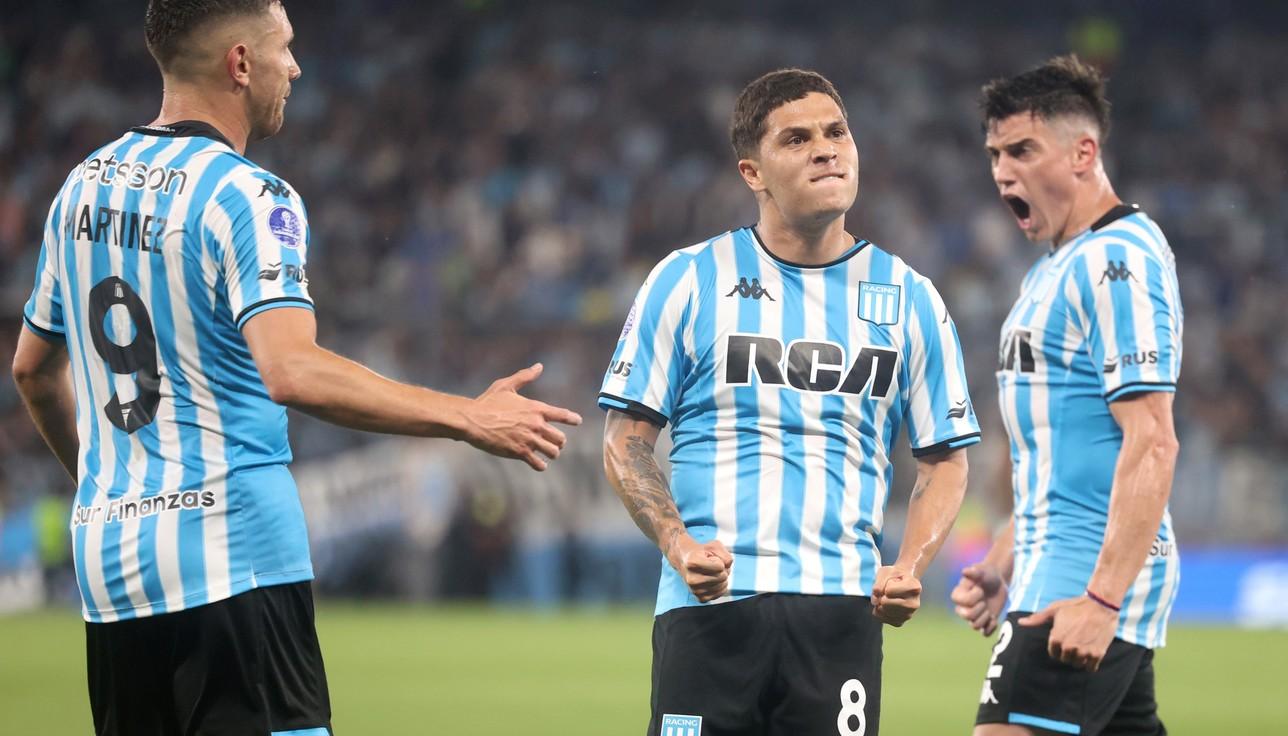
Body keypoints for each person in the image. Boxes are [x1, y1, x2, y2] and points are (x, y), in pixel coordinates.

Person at [10, 2, 581, 734]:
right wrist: (465, 415)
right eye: (286, 49)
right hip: (232, 558)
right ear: (240, 64)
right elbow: (292, 371)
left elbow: (32, 372)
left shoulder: (80, 188)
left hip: (112, 568)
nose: (296, 68)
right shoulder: (249, 196)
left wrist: (108, 485)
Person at [600, 68, 981, 736]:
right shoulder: (687, 281)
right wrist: (677, 542)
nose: (826, 149)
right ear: (753, 172)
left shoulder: (911, 297)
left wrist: (910, 565)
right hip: (709, 609)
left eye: (837, 132)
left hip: (840, 617)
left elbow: (945, 458)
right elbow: (626, 437)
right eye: (798, 138)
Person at [951, 55, 1182, 735]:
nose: (1002, 170)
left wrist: (1102, 601)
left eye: (1023, 149)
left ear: (1084, 152)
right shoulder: (1050, 271)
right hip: (1052, 569)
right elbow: (1061, 461)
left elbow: (1153, 438)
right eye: (995, 153)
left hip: (1082, 582)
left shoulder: (1121, 260)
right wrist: (1002, 557)